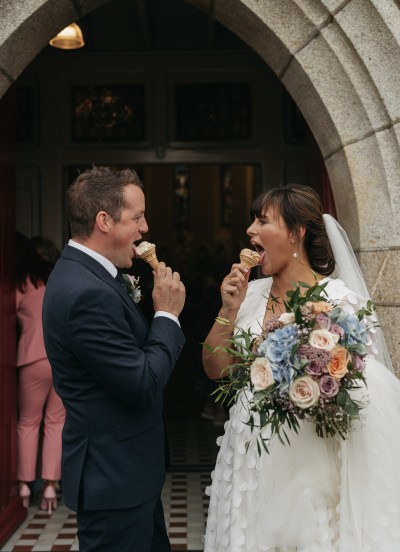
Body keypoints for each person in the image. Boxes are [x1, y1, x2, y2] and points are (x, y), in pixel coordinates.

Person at [202, 184, 400, 551]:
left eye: (262, 221)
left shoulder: (340, 302)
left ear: (296, 233)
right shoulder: (250, 295)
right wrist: (228, 309)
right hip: (248, 456)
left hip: (309, 465)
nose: (250, 231)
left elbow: (366, 399)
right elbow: (216, 370)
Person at [42, 166, 186, 552]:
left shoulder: (92, 276)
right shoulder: (85, 292)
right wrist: (167, 315)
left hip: (128, 476)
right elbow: (141, 385)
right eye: (137, 217)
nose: (145, 228)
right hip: (114, 480)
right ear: (104, 220)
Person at [16, 232, 65, 513]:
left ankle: (23, 484)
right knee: (55, 422)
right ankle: (49, 484)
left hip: (30, 359)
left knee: (27, 422)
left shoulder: (21, 286)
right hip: (59, 359)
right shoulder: (59, 284)